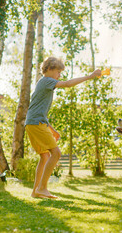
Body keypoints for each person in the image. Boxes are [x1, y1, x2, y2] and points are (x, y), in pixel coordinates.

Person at [25, 57, 102, 199]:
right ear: (48, 69)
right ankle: (42, 188)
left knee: (44, 156)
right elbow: (67, 84)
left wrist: (52, 130)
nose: (59, 75)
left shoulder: (43, 84)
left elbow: (38, 110)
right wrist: (90, 76)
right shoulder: (47, 81)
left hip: (33, 122)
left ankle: (36, 191)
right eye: (58, 72)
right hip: (36, 123)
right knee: (56, 154)